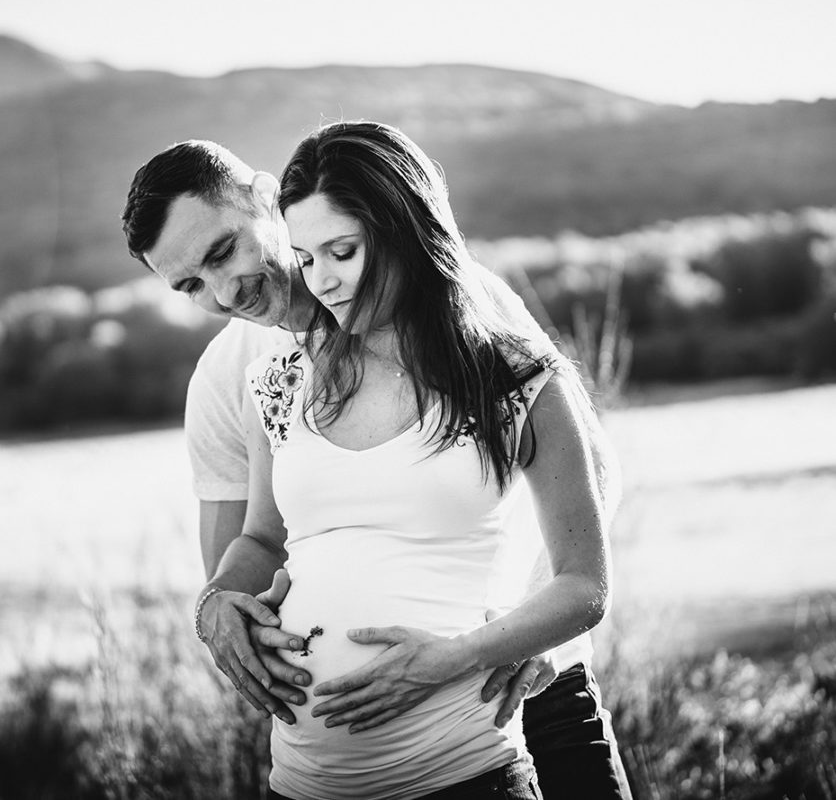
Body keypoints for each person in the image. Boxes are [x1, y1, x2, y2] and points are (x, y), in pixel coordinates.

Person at [122, 137, 633, 798]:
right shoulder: (239, 377)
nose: (224, 291)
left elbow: (586, 469)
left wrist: (508, 633)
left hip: (530, 679)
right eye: (190, 285)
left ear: (266, 197)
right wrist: (216, 610)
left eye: (223, 251)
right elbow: (242, 560)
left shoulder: (463, 308)